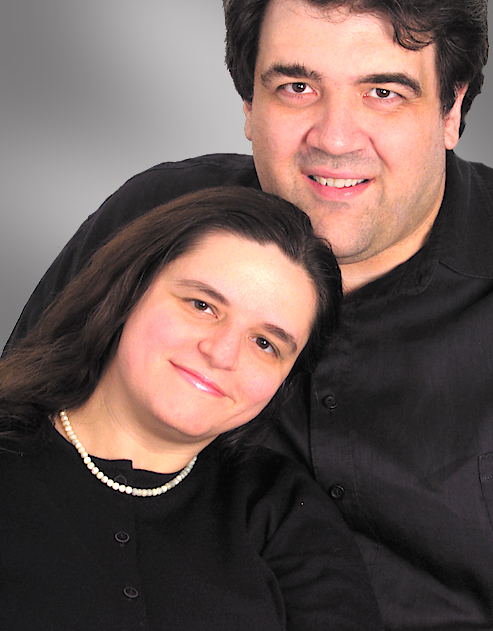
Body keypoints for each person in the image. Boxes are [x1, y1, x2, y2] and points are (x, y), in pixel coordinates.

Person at [4, 0, 493, 629]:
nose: (334, 137)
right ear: (248, 103)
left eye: (384, 93)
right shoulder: (155, 223)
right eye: (297, 86)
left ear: (452, 108)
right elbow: (23, 424)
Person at [0, 186, 383, 630]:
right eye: (202, 305)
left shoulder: (282, 511)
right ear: (128, 290)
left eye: (265, 343)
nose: (222, 353)